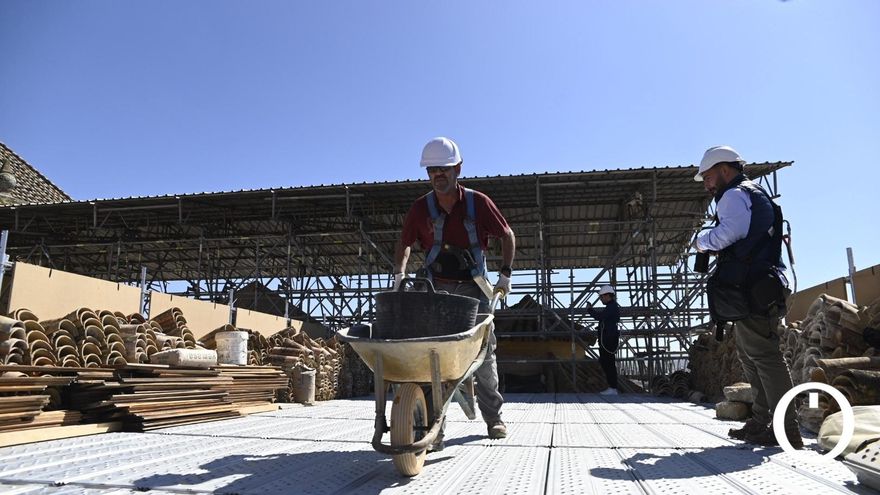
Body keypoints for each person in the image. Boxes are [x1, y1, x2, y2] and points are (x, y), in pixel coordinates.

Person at [393, 136, 515, 448]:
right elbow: (405, 243)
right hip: (436, 288)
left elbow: (507, 235)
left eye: (444, 169)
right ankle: (436, 429)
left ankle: (494, 418)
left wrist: (505, 275)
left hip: (474, 287)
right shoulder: (421, 208)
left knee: (483, 354)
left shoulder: (477, 203)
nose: (438, 175)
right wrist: (399, 273)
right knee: (432, 355)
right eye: (432, 170)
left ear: (458, 168)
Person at [694, 145, 802, 449]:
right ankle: (762, 421)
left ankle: (785, 428)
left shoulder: (733, 195)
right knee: (750, 354)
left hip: (753, 286)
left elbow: (728, 234)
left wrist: (702, 241)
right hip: (756, 285)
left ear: (725, 170)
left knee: (765, 357)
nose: (706, 182)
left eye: (708, 176)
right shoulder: (750, 193)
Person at [586, 285, 621, 395]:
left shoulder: (612, 307)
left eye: (602, 297)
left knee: (608, 363)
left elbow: (600, 317)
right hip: (607, 338)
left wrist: (590, 310)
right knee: (605, 362)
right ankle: (612, 387)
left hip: (608, 339)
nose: (601, 299)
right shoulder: (611, 307)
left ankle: (613, 388)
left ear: (607, 295)